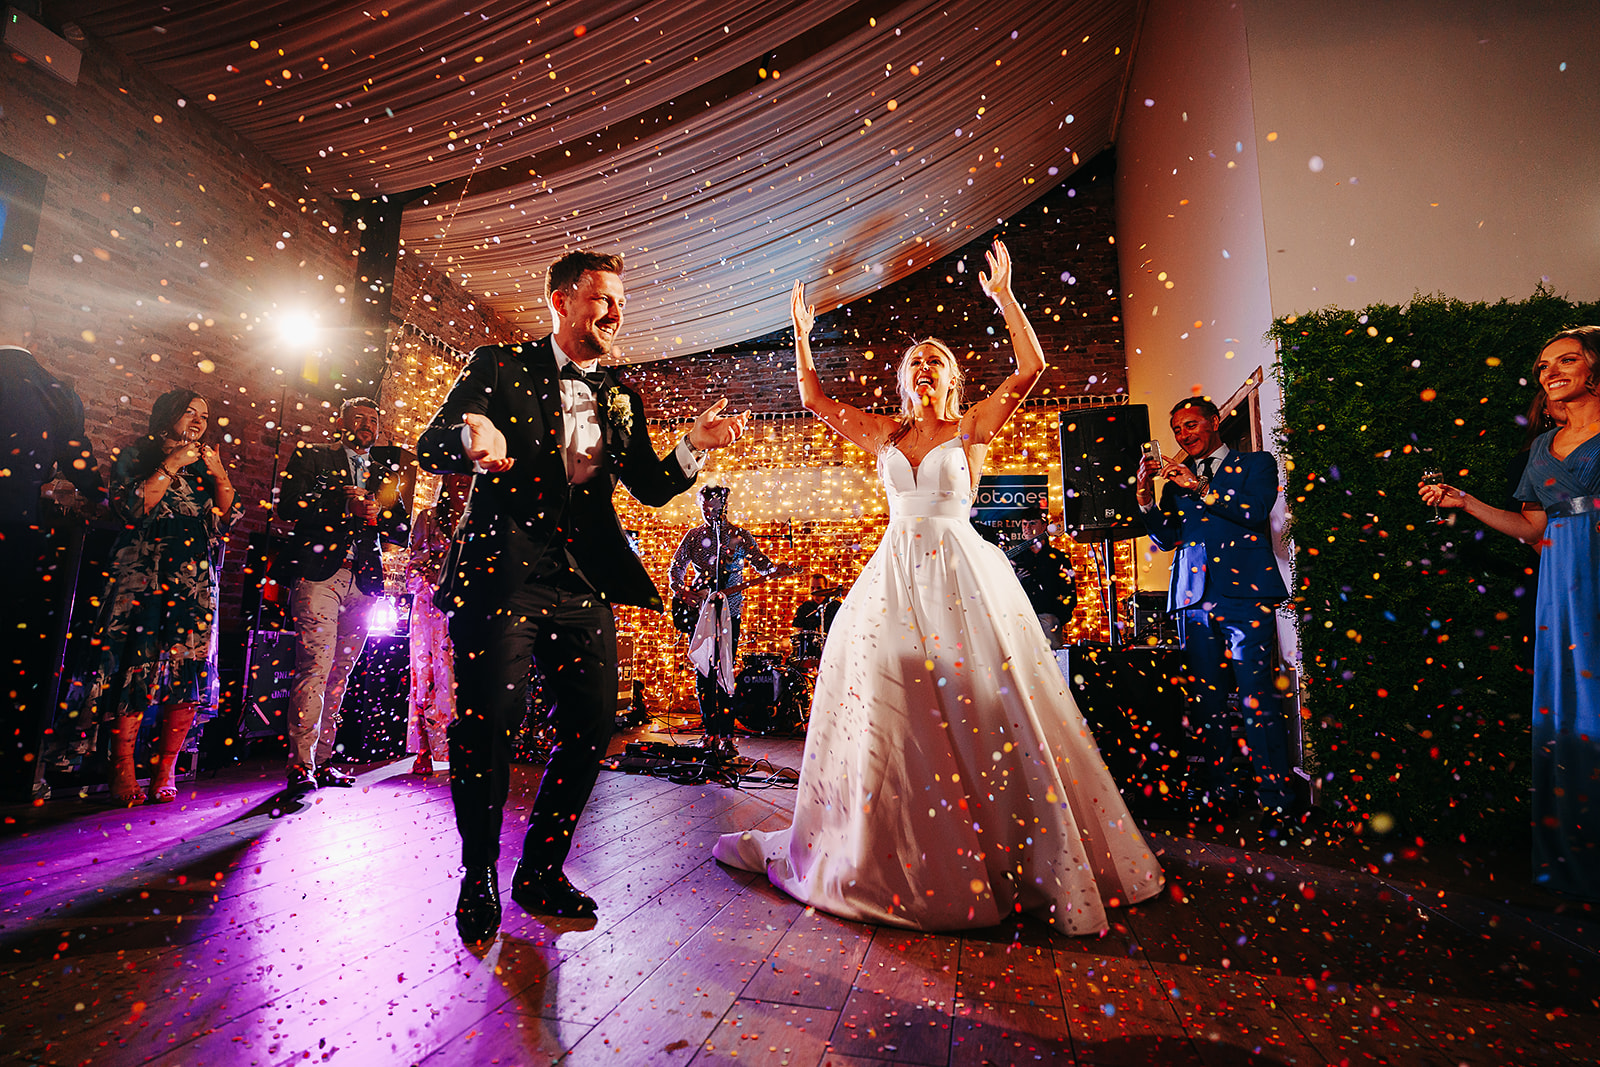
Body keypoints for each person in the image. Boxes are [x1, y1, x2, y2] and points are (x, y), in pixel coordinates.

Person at [714, 240, 1165, 933]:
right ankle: (901, 850)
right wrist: (802, 335)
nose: (925, 368)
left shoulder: (972, 427)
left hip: (963, 576)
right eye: (915, 362)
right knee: (896, 706)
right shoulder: (885, 433)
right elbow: (812, 398)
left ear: (951, 376)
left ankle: (1005, 851)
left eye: (936, 361)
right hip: (894, 578)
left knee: (986, 702)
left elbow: (1033, 367)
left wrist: (1005, 295)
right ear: (904, 379)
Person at [418, 249, 749, 941]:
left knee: (592, 725)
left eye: (621, 301)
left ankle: (540, 869)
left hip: (582, 579)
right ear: (562, 301)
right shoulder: (499, 364)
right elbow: (432, 442)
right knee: (486, 728)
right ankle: (477, 875)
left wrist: (693, 445)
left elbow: (653, 486)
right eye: (603, 299)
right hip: (502, 574)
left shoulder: (621, 394)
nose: (616, 313)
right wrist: (470, 435)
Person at [1421, 326, 1599, 901]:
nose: (1551, 371)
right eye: (1544, 364)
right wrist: (1465, 502)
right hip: (1562, 589)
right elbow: (1533, 530)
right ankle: (1577, 864)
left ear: (1595, 369)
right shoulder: (1542, 451)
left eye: (1567, 360)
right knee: (1571, 712)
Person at [1136, 397, 1295, 830]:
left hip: (1245, 597)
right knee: (1208, 705)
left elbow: (1255, 512)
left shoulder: (1256, 463)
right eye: (1177, 430)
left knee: (1256, 699)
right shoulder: (1171, 485)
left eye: (1191, 425)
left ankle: (1275, 801)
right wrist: (1146, 501)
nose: (1184, 436)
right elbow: (1168, 540)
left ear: (1215, 422)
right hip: (1193, 601)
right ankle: (1221, 795)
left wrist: (1200, 487)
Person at [85, 389, 240, 805]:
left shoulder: (206, 466)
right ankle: (123, 767)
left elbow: (226, 518)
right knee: (134, 665)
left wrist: (219, 473)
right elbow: (132, 507)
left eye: (203, 416)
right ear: (167, 415)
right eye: (189, 412)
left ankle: (166, 766)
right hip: (143, 574)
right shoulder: (138, 454)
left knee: (187, 673)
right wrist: (172, 464)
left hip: (193, 579)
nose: (197, 421)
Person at [0, 283, 104, 802]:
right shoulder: (53, 391)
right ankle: (15, 771)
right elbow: (78, 462)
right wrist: (98, 495)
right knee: (16, 650)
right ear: (30, 334)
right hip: (17, 533)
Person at [277, 397, 412, 795]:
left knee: (340, 675)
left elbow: (400, 531)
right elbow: (289, 507)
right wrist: (340, 503)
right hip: (321, 575)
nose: (367, 425)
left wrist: (377, 515)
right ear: (341, 421)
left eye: (373, 420)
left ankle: (323, 761)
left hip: (365, 581)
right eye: (358, 418)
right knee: (315, 668)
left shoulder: (385, 472)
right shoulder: (314, 457)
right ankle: (300, 765)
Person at [668, 485, 781, 757]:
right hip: (701, 611)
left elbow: (762, 565)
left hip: (730, 613)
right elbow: (677, 566)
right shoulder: (693, 536)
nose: (709, 513)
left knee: (724, 672)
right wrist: (681, 590)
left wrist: (778, 570)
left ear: (724, 506)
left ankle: (727, 737)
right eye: (704, 508)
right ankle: (709, 733)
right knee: (704, 671)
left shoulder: (739, 536)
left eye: (714, 508)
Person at [406, 490, 457, 777]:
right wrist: (430, 573)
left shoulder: (481, 515)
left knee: (460, 678)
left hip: (467, 604)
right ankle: (425, 747)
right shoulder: (429, 519)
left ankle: (460, 746)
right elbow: (412, 567)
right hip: (430, 608)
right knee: (425, 677)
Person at [1008, 502, 1077, 648]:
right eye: (1024, 524)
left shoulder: (1059, 559)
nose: (1027, 528)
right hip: (1020, 619)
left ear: (1044, 526)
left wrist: (1058, 617)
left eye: (1032, 523)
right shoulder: (1014, 559)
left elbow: (1069, 592)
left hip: (1048, 620)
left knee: (1051, 661)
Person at [790, 572, 842, 668]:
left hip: (833, 651)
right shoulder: (804, 608)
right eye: (812, 588)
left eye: (819, 588)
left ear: (826, 587)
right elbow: (798, 632)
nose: (815, 591)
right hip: (808, 653)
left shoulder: (836, 607)